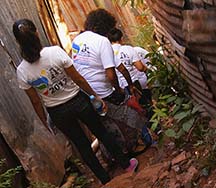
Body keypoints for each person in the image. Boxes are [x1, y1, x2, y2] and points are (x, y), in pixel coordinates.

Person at [13, 18, 138, 185]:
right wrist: (95, 96)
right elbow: (78, 79)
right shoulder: (55, 52)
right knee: (101, 132)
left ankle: (104, 179)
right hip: (78, 101)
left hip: (57, 112)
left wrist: (45, 121)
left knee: (82, 146)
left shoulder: (22, 71)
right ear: (36, 33)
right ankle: (126, 164)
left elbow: (36, 102)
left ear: (18, 42)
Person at [72, 9, 147, 159]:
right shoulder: (102, 41)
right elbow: (111, 73)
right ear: (105, 27)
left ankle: (113, 155)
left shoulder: (77, 40)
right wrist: (119, 90)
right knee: (131, 115)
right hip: (103, 91)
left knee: (103, 125)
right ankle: (133, 146)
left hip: (85, 93)